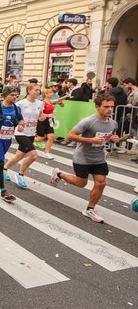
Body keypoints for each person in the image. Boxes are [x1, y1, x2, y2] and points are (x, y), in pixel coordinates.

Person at [50, 94, 120, 223]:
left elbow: (107, 139)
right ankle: (59, 174)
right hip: (83, 157)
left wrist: (112, 140)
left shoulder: (113, 124)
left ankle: (90, 209)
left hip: (99, 157)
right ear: (97, 107)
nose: (110, 110)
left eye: (111, 107)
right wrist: (90, 140)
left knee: (101, 182)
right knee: (81, 183)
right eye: (106, 107)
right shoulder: (88, 121)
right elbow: (70, 136)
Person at [3, 85, 46, 189]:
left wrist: (42, 117)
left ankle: (4, 169)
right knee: (33, 155)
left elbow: (40, 115)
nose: (38, 92)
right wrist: (19, 123)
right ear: (29, 90)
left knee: (20, 155)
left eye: (39, 90)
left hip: (31, 133)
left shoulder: (40, 103)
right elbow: (13, 116)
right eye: (36, 90)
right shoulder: (20, 104)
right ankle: (20, 175)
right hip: (21, 133)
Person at [0, 87, 25, 202]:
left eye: (16, 95)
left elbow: (21, 119)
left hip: (7, 139)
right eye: (12, 95)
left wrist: (21, 125)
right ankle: (3, 191)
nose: (15, 97)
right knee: (0, 162)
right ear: (5, 95)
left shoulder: (16, 107)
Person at [34, 85, 67, 159]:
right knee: (40, 138)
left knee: (51, 136)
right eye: (50, 93)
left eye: (52, 92)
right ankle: (28, 138)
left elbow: (58, 100)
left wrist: (66, 96)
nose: (52, 94)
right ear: (46, 94)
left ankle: (46, 153)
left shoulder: (50, 102)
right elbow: (39, 113)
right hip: (42, 122)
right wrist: (47, 114)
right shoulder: (42, 103)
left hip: (49, 121)